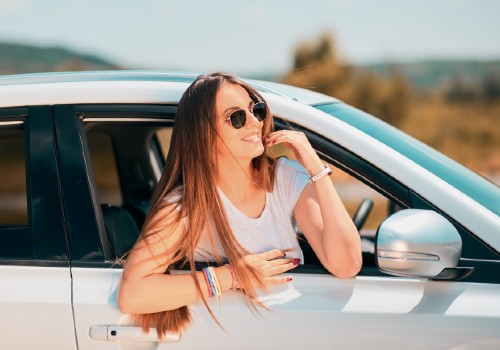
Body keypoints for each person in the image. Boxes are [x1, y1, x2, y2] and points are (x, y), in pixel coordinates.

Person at [118, 72, 361, 337]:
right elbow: (132, 294)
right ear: (205, 133)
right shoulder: (185, 205)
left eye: (255, 110)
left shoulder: (287, 177)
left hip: (293, 332)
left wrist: (316, 168)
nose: (255, 122)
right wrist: (233, 275)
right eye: (236, 117)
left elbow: (346, 264)